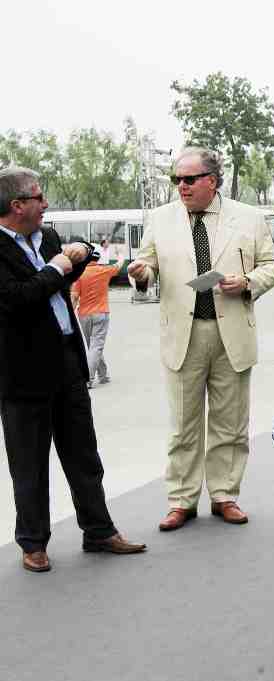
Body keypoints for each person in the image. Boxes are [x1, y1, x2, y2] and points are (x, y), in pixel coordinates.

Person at [127, 147, 274, 531]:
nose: (181, 186)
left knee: (231, 423)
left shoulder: (248, 218)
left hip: (232, 332)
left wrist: (247, 282)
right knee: (184, 424)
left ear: (212, 180)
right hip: (183, 334)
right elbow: (147, 263)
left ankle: (225, 495)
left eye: (189, 179)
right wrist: (141, 272)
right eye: (176, 179)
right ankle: (181, 500)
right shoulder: (160, 219)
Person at [0, 167, 146, 572]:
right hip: (23, 375)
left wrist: (78, 257)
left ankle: (99, 530)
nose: (45, 204)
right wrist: (60, 266)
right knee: (29, 465)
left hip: (67, 363)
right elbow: (19, 298)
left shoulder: (45, 237)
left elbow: (59, 285)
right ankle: (33, 543)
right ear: (17, 206)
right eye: (38, 198)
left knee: (84, 456)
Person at [71, 251, 126, 388]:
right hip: (101, 313)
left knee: (93, 346)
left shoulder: (80, 274)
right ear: (98, 259)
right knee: (96, 346)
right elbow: (118, 266)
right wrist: (121, 257)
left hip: (83, 315)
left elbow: (74, 297)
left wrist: (70, 314)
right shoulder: (104, 270)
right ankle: (88, 378)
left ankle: (103, 375)